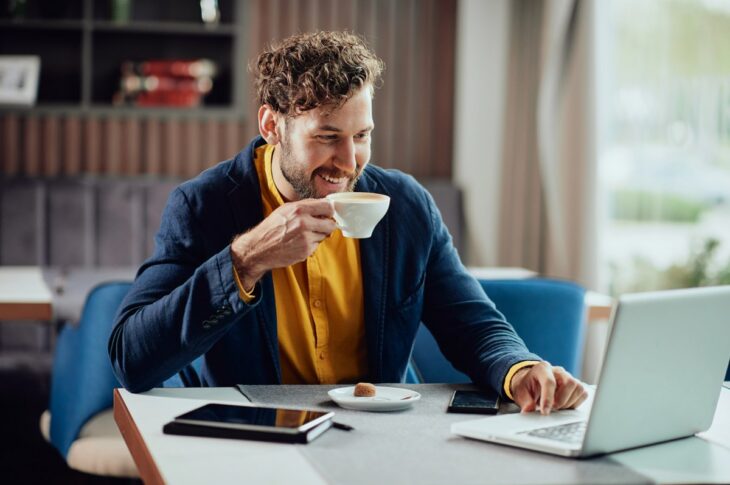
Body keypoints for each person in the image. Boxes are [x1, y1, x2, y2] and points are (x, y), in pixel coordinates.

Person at [108, 31, 587, 415]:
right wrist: (246, 260)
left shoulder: (405, 205)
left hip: (377, 435)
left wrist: (520, 369)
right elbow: (132, 357)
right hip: (253, 437)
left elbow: (473, 323)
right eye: (328, 137)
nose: (348, 160)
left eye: (362, 136)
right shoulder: (204, 205)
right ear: (272, 126)